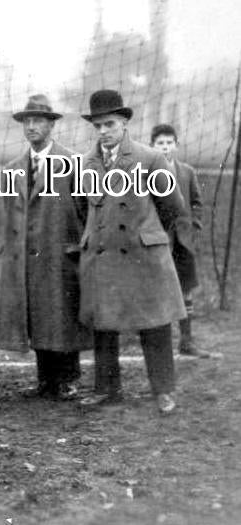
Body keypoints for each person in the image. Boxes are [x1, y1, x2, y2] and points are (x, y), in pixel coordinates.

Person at [77, 90, 186, 414]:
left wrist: (146, 234)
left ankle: (163, 390)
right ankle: (107, 388)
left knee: (154, 322)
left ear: (124, 122)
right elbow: (84, 209)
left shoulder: (150, 158)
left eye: (109, 123)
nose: (103, 131)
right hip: (103, 252)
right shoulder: (86, 163)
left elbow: (172, 207)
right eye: (97, 125)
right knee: (104, 322)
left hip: (142, 255)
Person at [0, 94, 91, 400]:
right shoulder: (12, 168)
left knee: (61, 314)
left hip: (60, 252)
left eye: (38, 120)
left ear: (51, 124)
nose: (32, 126)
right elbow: (7, 212)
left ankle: (68, 378)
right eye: (27, 121)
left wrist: (78, 245)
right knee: (37, 314)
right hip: (27, 255)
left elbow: (87, 209)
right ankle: (45, 379)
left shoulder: (73, 164)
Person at [151, 123, 211, 358]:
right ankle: (159, 344)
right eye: (160, 143)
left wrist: (194, 226)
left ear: (176, 145)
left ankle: (187, 340)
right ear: (152, 145)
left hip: (183, 241)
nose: (165, 147)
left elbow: (197, 202)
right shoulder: (146, 171)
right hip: (160, 241)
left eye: (168, 143)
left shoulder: (186, 171)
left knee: (186, 289)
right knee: (161, 290)